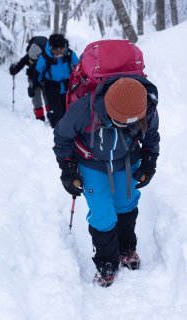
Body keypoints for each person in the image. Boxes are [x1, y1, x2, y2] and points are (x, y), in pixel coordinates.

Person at [53, 76, 160, 287]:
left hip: (127, 160)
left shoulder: (145, 105)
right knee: (103, 214)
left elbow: (151, 135)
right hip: (92, 163)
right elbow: (62, 136)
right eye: (121, 122)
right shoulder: (87, 108)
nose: (127, 126)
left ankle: (127, 248)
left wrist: (149, 161)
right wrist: (67, 168)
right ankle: (106, 263)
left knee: (126, 204)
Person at [34, 34, 79, 128]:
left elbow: (79, 67)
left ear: (65, 47)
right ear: (50, 48)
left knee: (67, 109)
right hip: (51, 86)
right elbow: (38, 72)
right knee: (57, 111)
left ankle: (68, 128)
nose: (59, 53)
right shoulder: (45, 58)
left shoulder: (69, 55)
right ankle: (56, 128)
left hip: (67, 84)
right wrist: (35, 84)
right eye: (55, 50)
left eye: (61, 49)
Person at [9, 36, 47, 121]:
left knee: (47, 97)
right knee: (35, 97)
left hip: (44, 79)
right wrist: (14, 70)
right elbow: (20, 64)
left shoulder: (46, 58)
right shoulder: (28, 56)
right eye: (31, 60)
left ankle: (52, 118)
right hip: (32, 77)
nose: (32, 62)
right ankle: (40, 118)